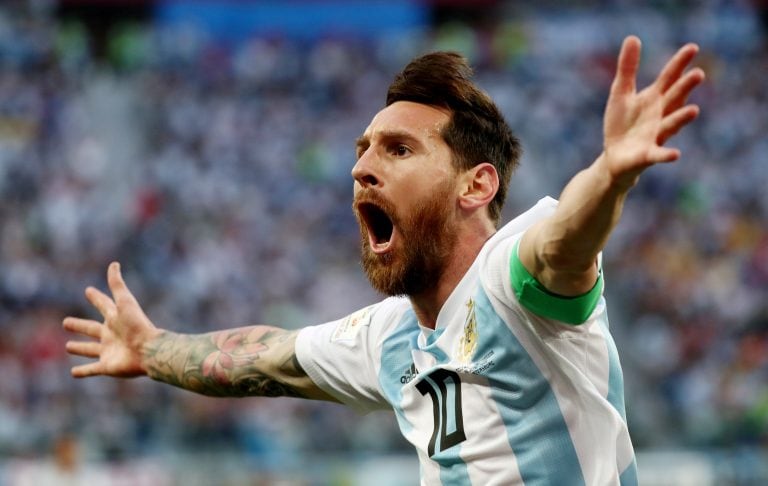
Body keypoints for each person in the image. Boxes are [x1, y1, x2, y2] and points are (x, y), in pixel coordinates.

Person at [63, 36, 704, 485]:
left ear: (475, 186)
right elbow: (263, 359)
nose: (362, 167)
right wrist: (152, 351)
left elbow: (567, 238)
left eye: (397, 150)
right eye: (363, 149)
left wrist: (611, 174)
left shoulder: (515, 273)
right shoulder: (390, 336)